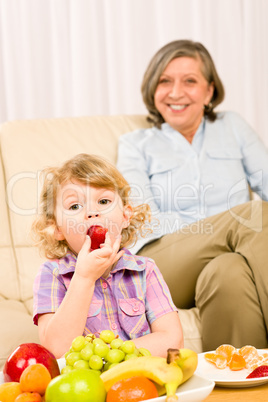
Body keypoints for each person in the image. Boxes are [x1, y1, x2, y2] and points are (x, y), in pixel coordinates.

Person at [116, 39, 268, 351]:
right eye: (165, 81)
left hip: (235, 253)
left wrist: (227, 238)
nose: (175, 92)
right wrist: (221, 229)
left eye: (189, 81)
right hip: (162, 263)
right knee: (254, 215)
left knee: (227, 272)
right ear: (152, 88)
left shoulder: (233, 126)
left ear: (209, 91)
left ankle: (241, 387)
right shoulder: (135, 144)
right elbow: (145, 221)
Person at [31, 153, 183, 359]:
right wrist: (84, 277)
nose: (92, 212)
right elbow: (57, 349)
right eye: (75, 206)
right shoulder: (52, 274)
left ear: (125, 216)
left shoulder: (145, 270)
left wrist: (107, 357)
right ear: (57, 228)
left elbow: (173, 341)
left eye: (103, 201)